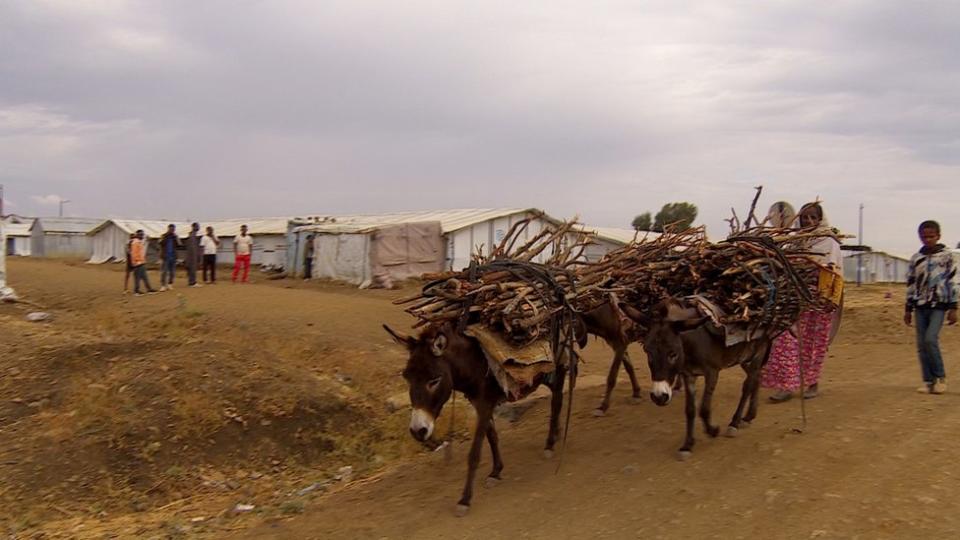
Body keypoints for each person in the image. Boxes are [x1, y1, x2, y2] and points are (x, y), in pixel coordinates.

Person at [763, 202, 843, 402]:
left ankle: (812, 383)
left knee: (813, 343)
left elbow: (835, 273)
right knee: (785, 340)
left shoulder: (828, 242)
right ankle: (786, 386)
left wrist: (830, 298)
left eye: (813, 217)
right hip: (795, 299)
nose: (808, 221)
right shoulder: (794, 242)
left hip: (819, 300)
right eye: (805, 217)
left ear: (819, 219)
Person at [905, 220, 958, 394]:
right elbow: (911, 283)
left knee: (930, 339)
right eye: (924, 236)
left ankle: (941, 377)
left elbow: (953, 281)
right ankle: (928, 380)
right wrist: (908, 308)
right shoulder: (916, 258)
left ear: (938, 236)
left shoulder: (947, 257)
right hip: (920, 305)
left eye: (931, 236)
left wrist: (953, 307)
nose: (927, 240)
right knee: (921, 344)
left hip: (939, 305)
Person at [130, 229, 158, 296]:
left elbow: (142, 250)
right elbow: (134, 254)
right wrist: (137, 261)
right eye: (141, 234)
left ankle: (149, 289)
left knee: (144, 277)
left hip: (141, 262)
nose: (142, 235)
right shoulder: (135, 243)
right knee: (137, 277)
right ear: (137, 235)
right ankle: (136, 291)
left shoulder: (139, 242)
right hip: (138, 263)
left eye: (142, 234)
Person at [159, 224, 181, 292]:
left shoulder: (175, 236)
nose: (172, 230)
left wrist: (176, 237)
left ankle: (170, 284)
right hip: (165, 257)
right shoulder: (164, 235)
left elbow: (179, 245)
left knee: (172, 272)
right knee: (164, 272)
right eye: (171, 229)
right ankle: (163, 285)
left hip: (173, 256)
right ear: (168, 229)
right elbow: (160, 243)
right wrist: (167, 236)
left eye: (173, 229)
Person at [185, 222, 202, 287]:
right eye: (197, 226)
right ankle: (192, 282)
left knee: (193, 269)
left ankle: (192, 281)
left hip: (194, 255)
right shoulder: (192, 236)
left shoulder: (194, 236)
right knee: (192, 269)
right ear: (193, 227)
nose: (198, 227)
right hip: (192, 255)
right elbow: (192, 247)